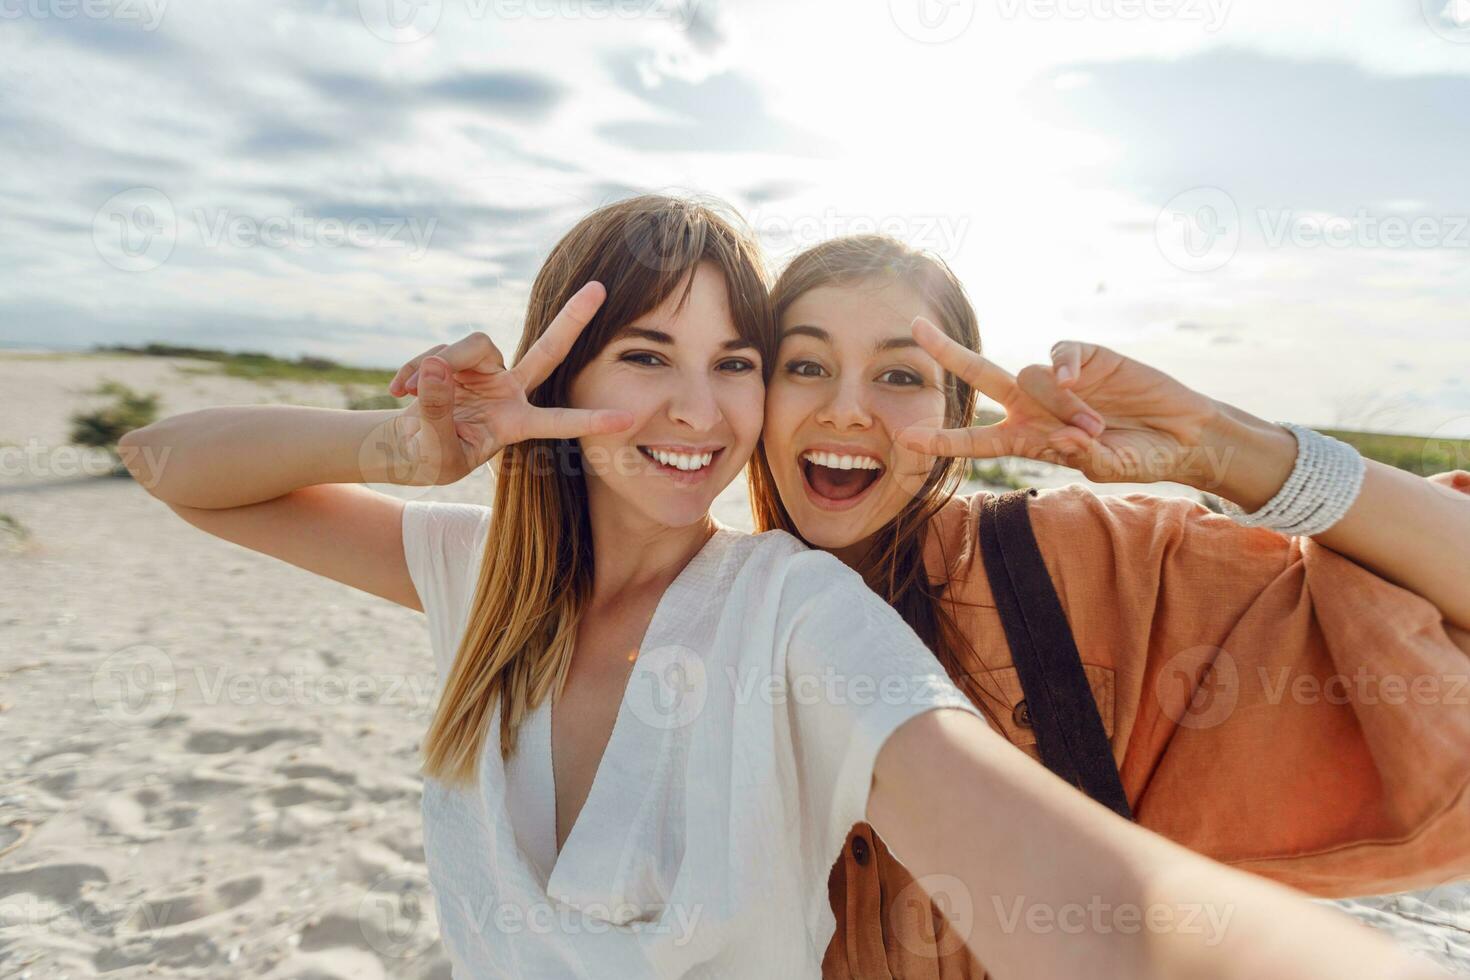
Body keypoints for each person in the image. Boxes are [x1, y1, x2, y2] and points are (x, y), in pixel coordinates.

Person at [120, 197, 1451, 979]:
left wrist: (1231, 451)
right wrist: (403, 445)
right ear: (560, 377)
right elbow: (168, 463)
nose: (704, 406)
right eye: (798, 361)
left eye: (735, 363)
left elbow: (1117, 915)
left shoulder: (812, 611)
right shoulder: (482, 580)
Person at [745, 233, 1470, 978]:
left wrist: (1219, 446)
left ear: (958, 410)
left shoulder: (1083, 565)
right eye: (806, 365)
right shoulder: (677, 616)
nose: (848, 410)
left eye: (899, 374)